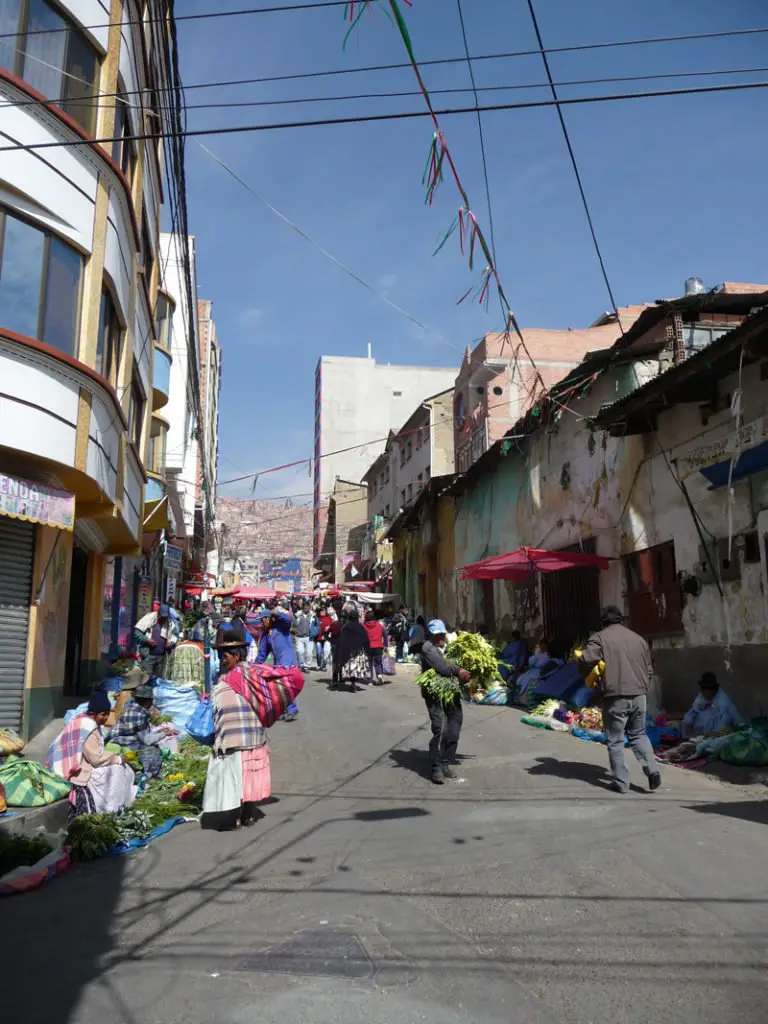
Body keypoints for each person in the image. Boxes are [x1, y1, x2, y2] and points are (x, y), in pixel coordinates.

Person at [579, 606, 661, 794]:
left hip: (616, 696)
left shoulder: (600, 638)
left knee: (615, 739)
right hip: (639, 694)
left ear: (603, 622)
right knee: (639, 734)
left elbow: (586, 659)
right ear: (620, 620)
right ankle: (652, 769)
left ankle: (621, 782)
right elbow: (649, 669)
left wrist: (585, 673)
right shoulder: (638, 639)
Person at [203, 631, 272, 831]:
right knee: (249, 775)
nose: (223, 661)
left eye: (225, 657)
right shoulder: (255, 675)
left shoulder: (226, 681)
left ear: (237, 656)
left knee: (236, 779)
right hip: (253, 735)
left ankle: (237, 816)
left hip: (235, 737)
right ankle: (247, 815)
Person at [47, 690, 137, 818]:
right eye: (103, 714)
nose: (106, 718)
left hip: (68, 766)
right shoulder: (88, 727)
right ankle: (109, 809)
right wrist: (118, 759)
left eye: (107, 714)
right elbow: (96, 759)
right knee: (117, 771)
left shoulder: (82, 721)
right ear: (92, 713)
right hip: (76, 772)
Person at [421, 620, 471, 785]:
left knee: (455, 725)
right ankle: (436, 767)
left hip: (451, 691)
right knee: (440, 727)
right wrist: (458, 671)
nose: (441, 637)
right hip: (435, 693)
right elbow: (442, 667)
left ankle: (446, 761)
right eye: (438, 635)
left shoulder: (450, 647)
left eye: (443, 634)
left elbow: (459, 662)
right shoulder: (428, 648)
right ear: (431, 635)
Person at [107, 684, 179, 778]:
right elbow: (147, 740)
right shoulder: (137, 714)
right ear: (147, 701)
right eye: (152, 700)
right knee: (151, 751)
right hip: (122, 743)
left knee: (154, 747)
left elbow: (142, 734)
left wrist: (161, 732)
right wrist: (164, 734)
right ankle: (148, 776)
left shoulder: (135, 708)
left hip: (129, 740)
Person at [256, 608, 299, 721]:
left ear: (269, 618)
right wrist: (254, 665)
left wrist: (277, 613)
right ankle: (282, 710)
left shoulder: (281, 627)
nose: (262, 623)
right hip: (278, 664)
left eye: (263, 620)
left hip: (288, 662)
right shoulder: (266, 635)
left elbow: (288, 620)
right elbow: (262, 653)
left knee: (284, 687)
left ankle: (291, 709)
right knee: (277, 688)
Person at [682, 673, 743, 737]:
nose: (703, 694)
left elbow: (739, 724)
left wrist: (718, 734)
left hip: (720, 736)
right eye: (702, 691)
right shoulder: (701, 698)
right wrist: (688, 724)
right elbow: (692, 712)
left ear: (713, 691)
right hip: (700, 735)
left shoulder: (724, 703)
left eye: (705, 692)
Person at [135, 603, 179, 678]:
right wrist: (147, 640)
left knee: (159, 680)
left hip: (161, 657)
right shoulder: (149, 618)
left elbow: (175, 636)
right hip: (148, 656)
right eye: (162, 617)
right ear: (158, 614)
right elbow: (137, 633)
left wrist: (171, 643)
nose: (164, 619)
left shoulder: (170, 623)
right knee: (146, 679)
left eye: (165, 617)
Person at [337, 607, 370, 691]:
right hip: (358, 651)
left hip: (348, 651)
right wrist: (366, 648)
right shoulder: (360, 627)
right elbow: (365, 639)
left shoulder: (346, 627)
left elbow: (342, 639)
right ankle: (354, 683)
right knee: (357, 668)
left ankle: (353, 683)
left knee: (351, 668)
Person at [364, 609, 386, 685]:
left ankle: (370, 680)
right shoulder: (380, 626)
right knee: (378, 662)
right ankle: (379, 674)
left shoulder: (364, 626)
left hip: (368, 647)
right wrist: (385, 645)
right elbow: (385, 636)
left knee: (369, 663)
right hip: (378, 646)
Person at [293, 601, 313, 671]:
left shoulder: (312, 615)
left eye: (308, 607)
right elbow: (293, 625)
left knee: (309, 653)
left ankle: (307, 665)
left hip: (309, 637)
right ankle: (301, 665)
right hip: (299, 637)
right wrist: (295, 631)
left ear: (309, 607)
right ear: (303, 608)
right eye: (305, 607)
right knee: (299, 651)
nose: (306, 608)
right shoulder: (298, 615)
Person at [316, 605, 333, 671]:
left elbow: (332, 627)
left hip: (327, 638)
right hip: (318, 638)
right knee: (319, 653)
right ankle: (319, 664)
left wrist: (329, 628)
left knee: (326, 652)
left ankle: (324, 666)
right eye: (321, 611)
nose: (322, 612)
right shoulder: (317, 618)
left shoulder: (329, 618)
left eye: (323, 611)